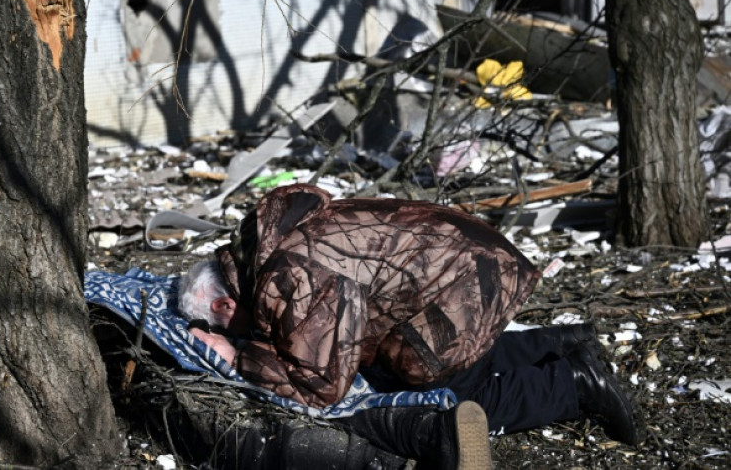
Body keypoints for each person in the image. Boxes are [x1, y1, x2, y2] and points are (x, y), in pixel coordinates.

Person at [177, 184, 639, 467]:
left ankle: (573, 385)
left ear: (223, 303)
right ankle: (559, 343)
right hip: (472, 264)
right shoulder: (269, 244)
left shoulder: (285, 278)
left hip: (465, 284)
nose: (237, 330)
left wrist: (240, 357)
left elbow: (322, 387)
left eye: (226, 325)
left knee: (450, 393)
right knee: (415, 362)